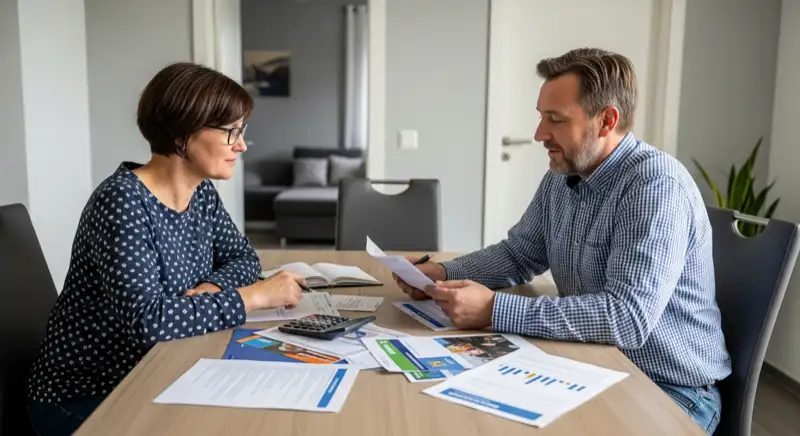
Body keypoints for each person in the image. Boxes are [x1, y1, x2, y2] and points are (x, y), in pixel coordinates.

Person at [395, 48, 731, 435]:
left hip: (669, 389)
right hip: (594, 365)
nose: (540, 134)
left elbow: (627, 318)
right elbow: (520, 254)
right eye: (541, 117)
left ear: (606, 120)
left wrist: (494, 310)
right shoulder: (565, 171)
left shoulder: (654, 187)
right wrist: (441, 273)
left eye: (555, 120)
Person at [26, 62, 306, 435]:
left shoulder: (201, 193)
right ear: (183, 133)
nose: (240, 145)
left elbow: (243, 258)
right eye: (231, 132)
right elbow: (149, 322)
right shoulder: (122, 200)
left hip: (159, 371)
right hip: (90, 394)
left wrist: (211, 289)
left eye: (242, 132)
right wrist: (252, 297)